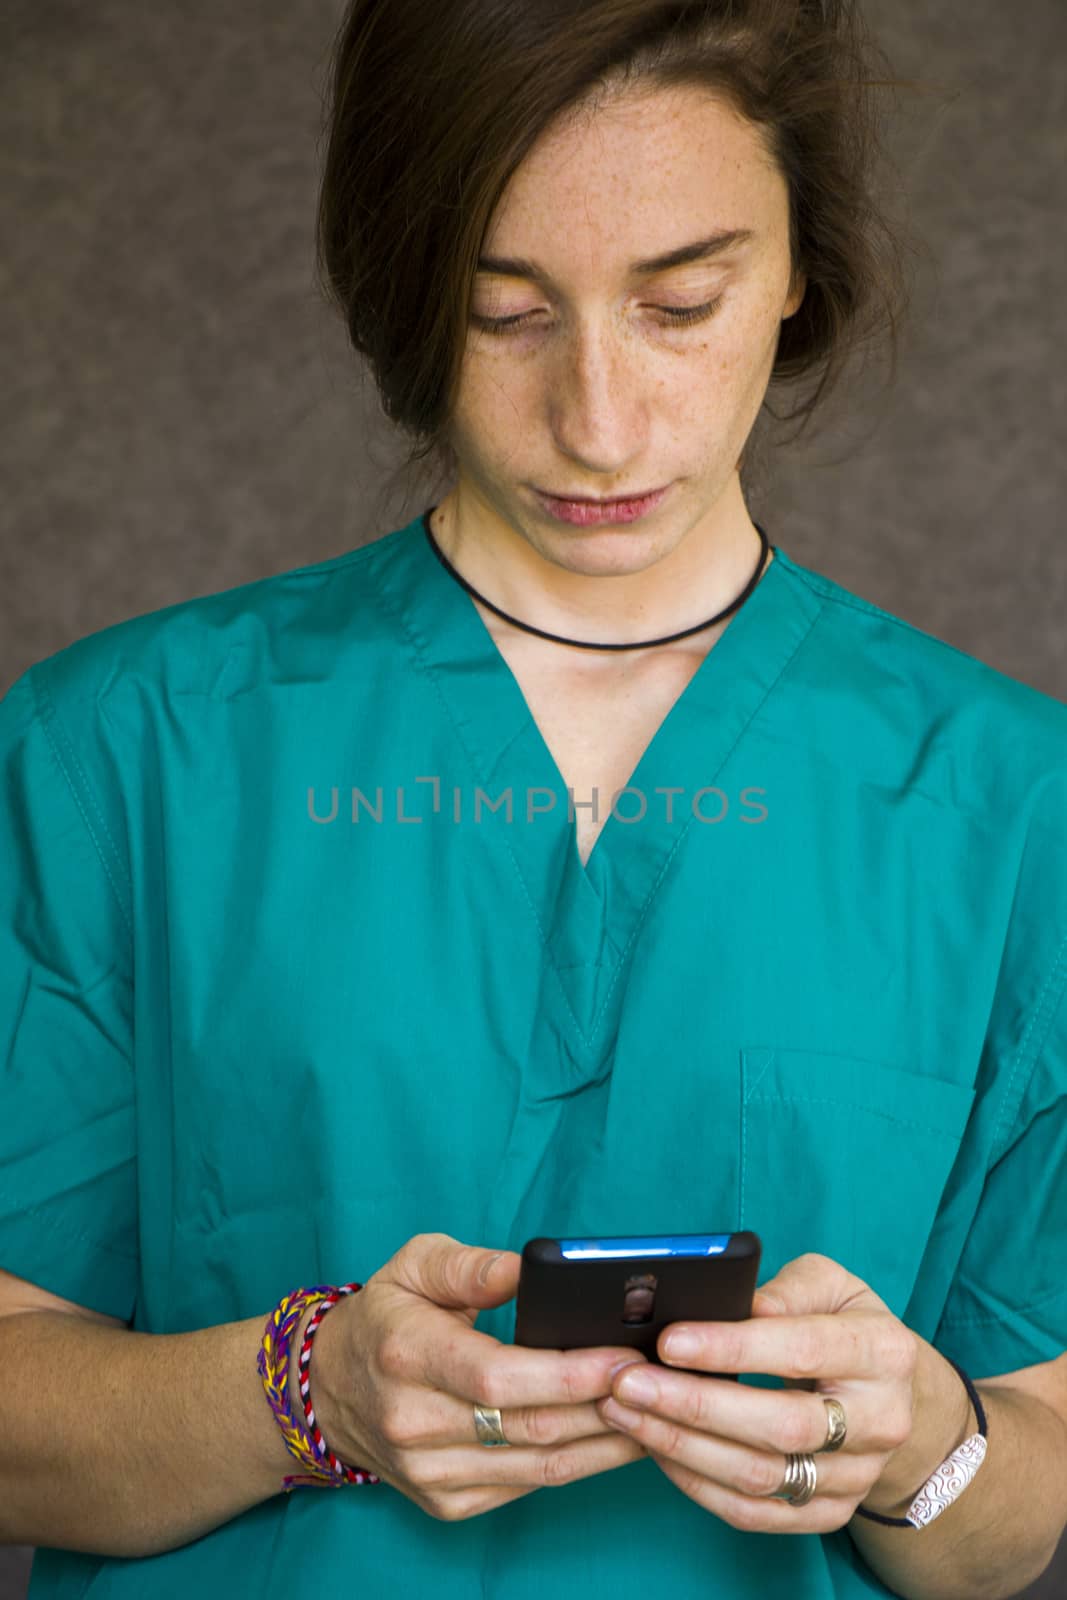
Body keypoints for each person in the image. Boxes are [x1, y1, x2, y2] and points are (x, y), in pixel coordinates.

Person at [1, 1, 1065, 1596]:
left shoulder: (1010, 805)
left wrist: (920, 1441)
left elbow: (1011, 1514)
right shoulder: (124, 750)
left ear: (794, 274)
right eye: (506, 315)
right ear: (401, 294)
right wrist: (304, 1395)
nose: (599, 420)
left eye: (681, 303)